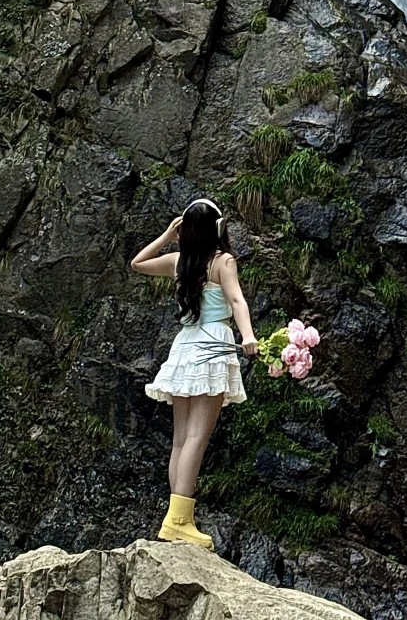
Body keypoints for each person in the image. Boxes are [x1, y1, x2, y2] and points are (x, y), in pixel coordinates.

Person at [131, 198, 258, 549]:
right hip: (213, 344)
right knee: (197, 438)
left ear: (184, 230)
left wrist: (167, 237)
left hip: (184, 346)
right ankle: (179, 520)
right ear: (219, 228)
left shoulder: (179, 262)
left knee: (181, 438)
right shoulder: (223, 262)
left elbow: (137, 262)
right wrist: (248, 335)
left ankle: (177, 517)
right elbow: (237, 302)